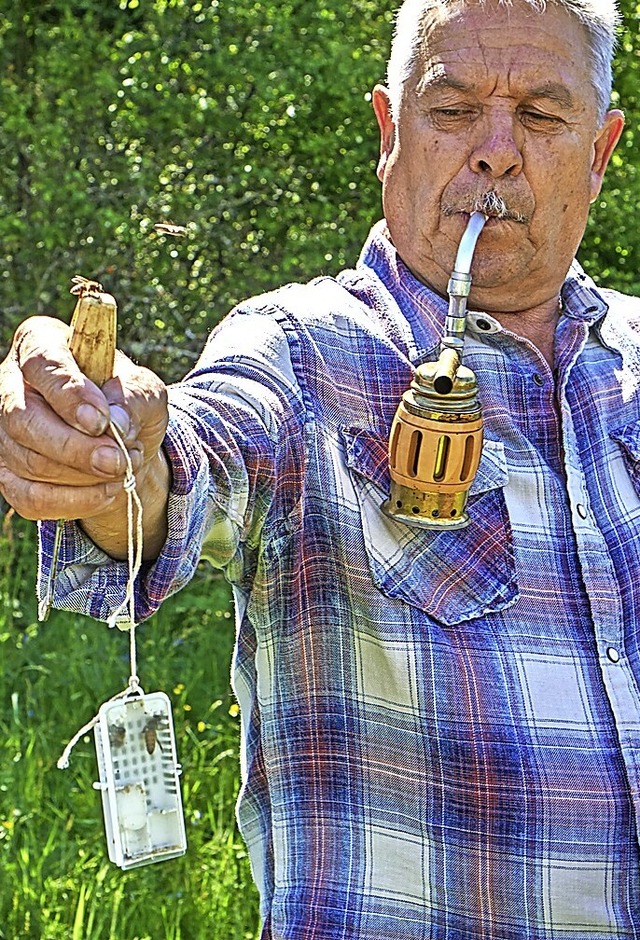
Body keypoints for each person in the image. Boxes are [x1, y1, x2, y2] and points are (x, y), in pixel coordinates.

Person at [0, 0, 637, 934]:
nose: (496, 152)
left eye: (541, 117)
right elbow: (196, 459)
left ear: (600, 152)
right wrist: (113, 449)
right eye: (453, 110)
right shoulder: (303, 352)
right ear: (389, 133)